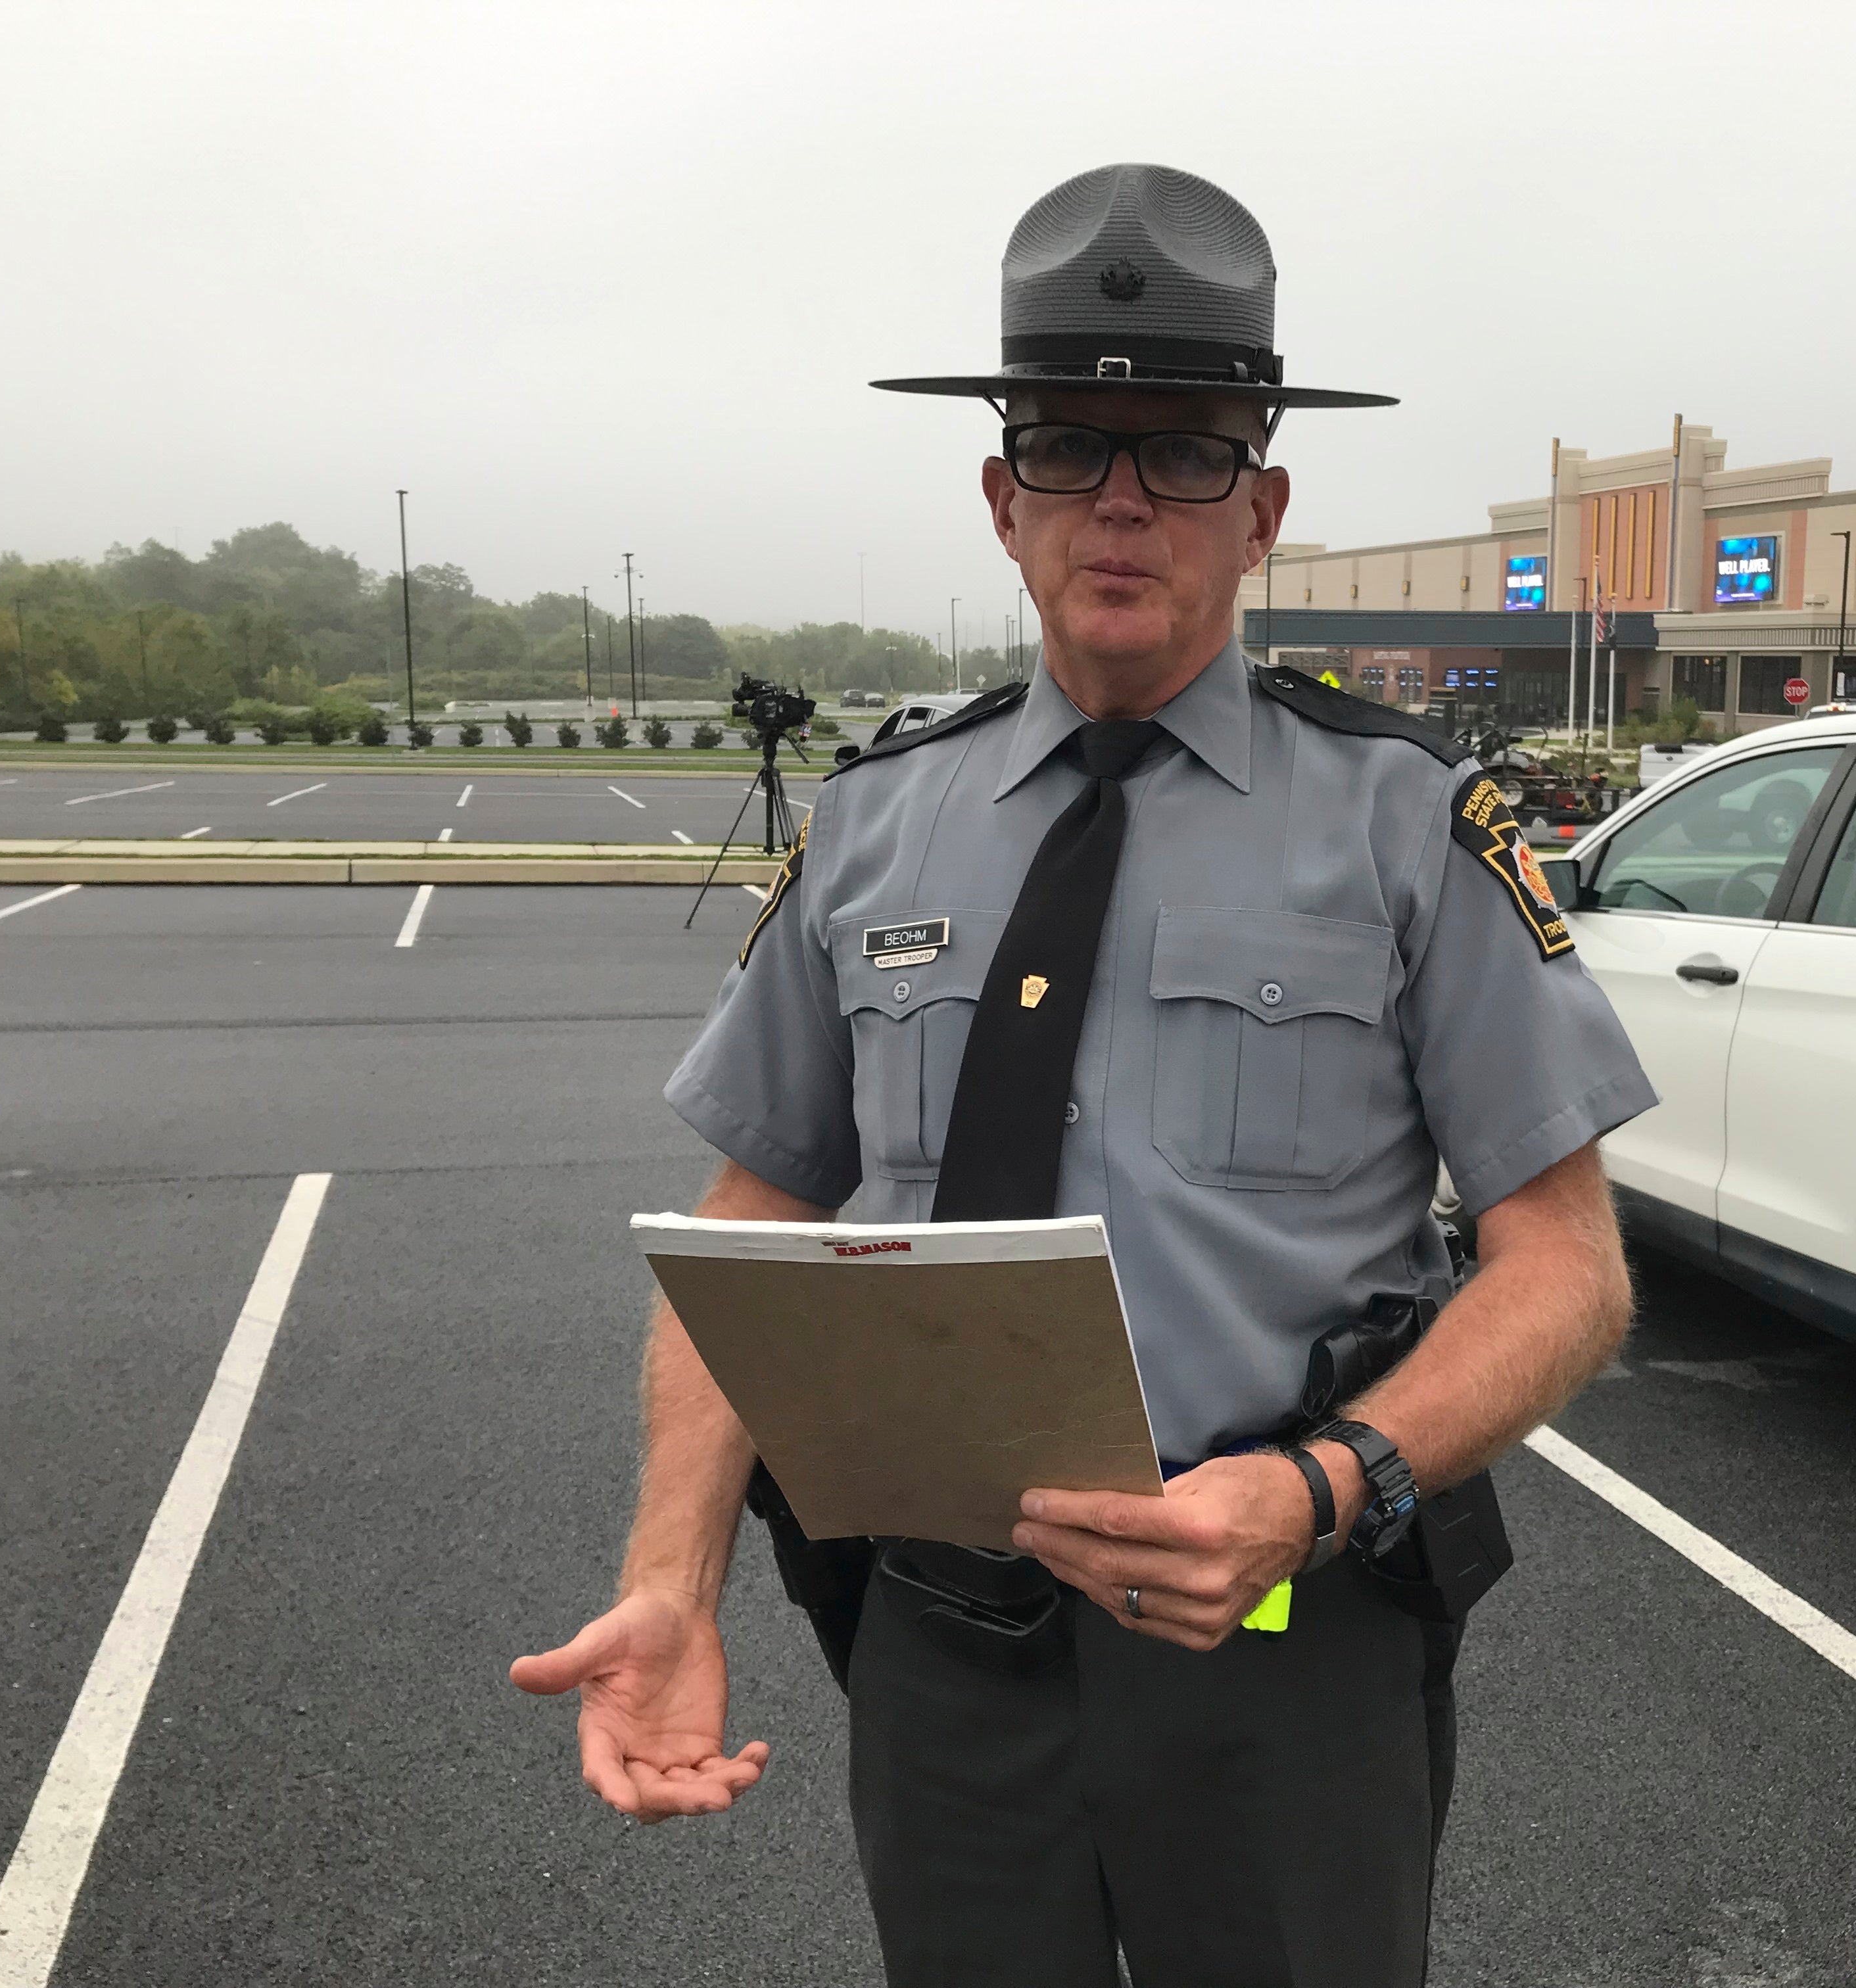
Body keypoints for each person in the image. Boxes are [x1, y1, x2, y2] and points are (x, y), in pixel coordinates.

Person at [512, 162, 1656, 1987]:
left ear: (1262, 505)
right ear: (1000, 498)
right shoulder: (877, 827)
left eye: (1187, 450)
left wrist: (1322, 1487)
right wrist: (673, 1573)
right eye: (1066, 446)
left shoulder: (1410, 826)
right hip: (943, 1659)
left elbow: (1566, 1267)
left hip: (1284, 1642)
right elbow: (753, 1225)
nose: (1123, 500)